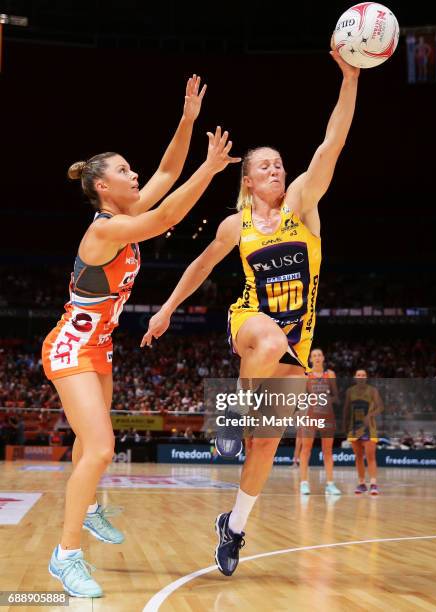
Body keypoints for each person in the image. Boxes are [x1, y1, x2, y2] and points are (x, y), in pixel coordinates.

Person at [142, 47, 360, 576]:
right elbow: (197, 266)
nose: (276, 170)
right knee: (265, 339)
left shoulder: (303, 205)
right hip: (250, 327)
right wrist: (166, 309)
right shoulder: (234, 225)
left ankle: (234, 526)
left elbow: (332, 143)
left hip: (297, 345)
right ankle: (232, 412)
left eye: (280, 164)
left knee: (264, 450)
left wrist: (350, 79)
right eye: (265, 165)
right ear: (248, 181)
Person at [42, 75, 241, 598]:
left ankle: (86, 510)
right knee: (102, 449)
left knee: (91, 445)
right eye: (126, 171)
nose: (136, 175)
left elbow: (169, 170)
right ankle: (65, 558)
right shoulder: (105, 229)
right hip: (70, 346)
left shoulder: (124, 212)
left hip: (98, 346)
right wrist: (213, 169)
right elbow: (171, 211)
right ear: (103, 186)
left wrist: (189, 118)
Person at [293, 348, 340, 495]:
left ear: (323, 358)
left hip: (327, 416)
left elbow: (336, 397)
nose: (317, 357)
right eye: (314, 355)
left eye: (320, 355)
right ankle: (304, 483)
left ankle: (330, 484)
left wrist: (327, 399)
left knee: (327, 451)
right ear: (311, 359)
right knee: (306, 449)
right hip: (311, 416)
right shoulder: (306, 375)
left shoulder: (330, 374)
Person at [344, 369, 384, 496]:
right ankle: (361, 484)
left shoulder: (373, 391)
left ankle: (373, 484)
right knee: (358, 457)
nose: (361, 377)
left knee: (370, 456)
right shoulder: (350, 391)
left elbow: (380, 407)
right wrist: (345, 426)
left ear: (366, 378)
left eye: (363, 375)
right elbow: (346, 409)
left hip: (369, 428)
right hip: (354, 428)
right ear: (355, 378)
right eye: (358, 375)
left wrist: (370, 415)